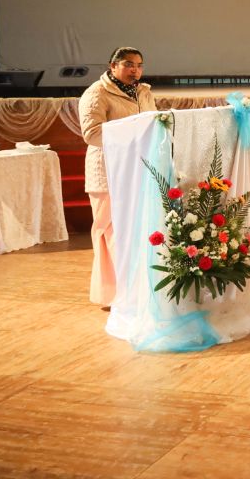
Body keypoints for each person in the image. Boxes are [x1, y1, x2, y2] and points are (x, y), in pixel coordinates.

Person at [78, 47, 157, 306]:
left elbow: (153, 124)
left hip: (136, 170)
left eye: (139, 65)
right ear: (113, 66)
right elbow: (91, 134)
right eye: (128, 64)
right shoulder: (97, 93)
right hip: (107, 172)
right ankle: (113, 294)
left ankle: (135, 290)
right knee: (110, 232)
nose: (135, 70)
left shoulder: (143, 92)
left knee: (134, 231)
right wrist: (134, 135)